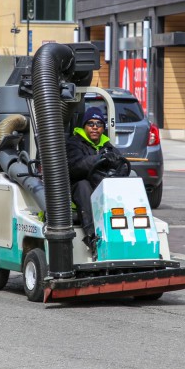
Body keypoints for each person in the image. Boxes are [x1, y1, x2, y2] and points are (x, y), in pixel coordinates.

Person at [66, 106, 129, 257]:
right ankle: (92, 236)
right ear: (84, 126)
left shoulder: (107, 147)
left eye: (99, 124)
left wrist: (116, 166)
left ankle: (130, 233)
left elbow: (121, 167)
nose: (95, 127)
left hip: (102, 188)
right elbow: (75, 166)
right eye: (91, 123)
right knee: (83, 185)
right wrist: (98, 158)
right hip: (77, 189)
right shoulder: (73, 144)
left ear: (103, 128)